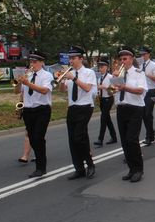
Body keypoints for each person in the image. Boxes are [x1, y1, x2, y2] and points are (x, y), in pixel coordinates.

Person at [58, 46, 97, 180]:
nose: (71, 61)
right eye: (70, 58)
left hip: (85, 107)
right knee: (73, 140)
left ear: (81, 58)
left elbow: (87, 88)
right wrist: (62, 80)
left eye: (74, 58)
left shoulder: (88, 73)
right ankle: (79, 168)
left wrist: (73, 78)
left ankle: (90, 164)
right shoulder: (69, 73)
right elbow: (62, 90)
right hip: (72, 107)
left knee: (79, 137)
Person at [15, 50, 53, 178]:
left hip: (42, 109)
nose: (32, 64)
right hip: (28, 110)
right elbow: (17, 91)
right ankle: (40, 163)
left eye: (35, 62)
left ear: (42, 62)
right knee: (32, 138)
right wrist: (19, 82)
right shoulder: (28, 75)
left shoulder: (47, 75)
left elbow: (44, 90)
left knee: (38, 138)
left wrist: (28, 83)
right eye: (31, 61)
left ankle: (41, 167)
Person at [113, 46, 147, 182]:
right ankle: (131, 169)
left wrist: (124, 87)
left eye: (125, 59)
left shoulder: (139, 73)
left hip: (135, 108)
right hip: (122, 108)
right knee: (124, 142)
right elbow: (114, 91)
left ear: (131, 59)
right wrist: (115, 83)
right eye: (121, 59)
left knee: (132, 140)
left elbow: (140, 91)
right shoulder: (118, 74)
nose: (122, 61)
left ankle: (139, 169)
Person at [139, 46, 155, 145]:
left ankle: (149, 137)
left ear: (148, 54)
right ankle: (151, 135)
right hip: (143, 92)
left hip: (151, 91)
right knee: (144, 114)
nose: (142, 56)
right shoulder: (140, 65)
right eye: (141, 54)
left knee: (147, 114)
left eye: (144, 54)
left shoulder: (153, 65)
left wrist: (146, 74)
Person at [94, 56, 118, 147]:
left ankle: (100, 139)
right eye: (99, 67)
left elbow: (113, 90)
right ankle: (114, 137)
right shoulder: (99, 77)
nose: (100, 69)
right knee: (107, 119)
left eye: (102, 67)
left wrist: (103, 87)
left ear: (107, 67)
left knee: (103, 118)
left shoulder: (110, 77)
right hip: (101, 99)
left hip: (108, 98)